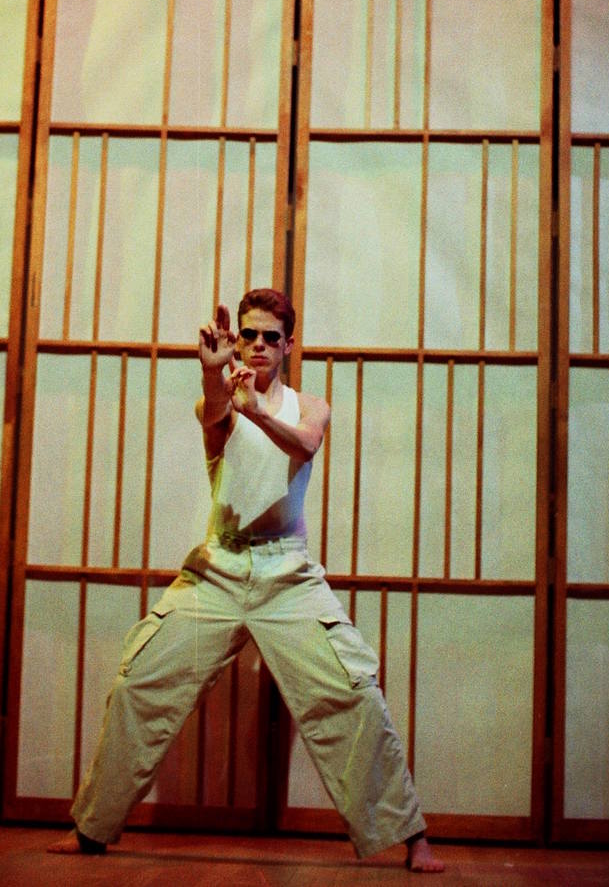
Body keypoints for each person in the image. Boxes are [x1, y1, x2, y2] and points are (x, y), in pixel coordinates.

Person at [49, 288, 443, 872]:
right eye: (249, 335)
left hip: (288, 573)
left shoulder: (311, 406)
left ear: (288, 345)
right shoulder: (222, 400)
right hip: (219, 569)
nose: (258, 345)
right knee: (139, 683)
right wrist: (215, 377)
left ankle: (411, 836)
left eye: (270, 337)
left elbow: (305, 444)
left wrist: (258, 409)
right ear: (237, 340)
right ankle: (91, 829)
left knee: (354, 692)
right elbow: (215, 415)